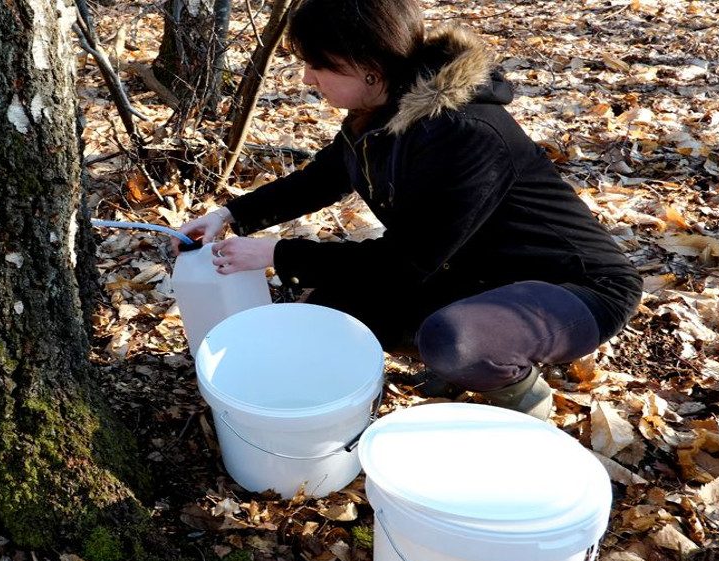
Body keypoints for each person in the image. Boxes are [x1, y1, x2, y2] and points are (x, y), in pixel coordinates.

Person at [174, 0, 642, 419]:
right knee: (330, 314)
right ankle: (461, 346)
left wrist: (278, 254)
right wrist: (230, 215)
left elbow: (408, 260)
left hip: (577, 288)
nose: (306, 78)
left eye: (318, 65)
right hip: (470, 270)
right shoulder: (378, 116)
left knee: (453, 342)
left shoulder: (466, 132)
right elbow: (322, 179)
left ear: (369, 67)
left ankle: (521, 396)